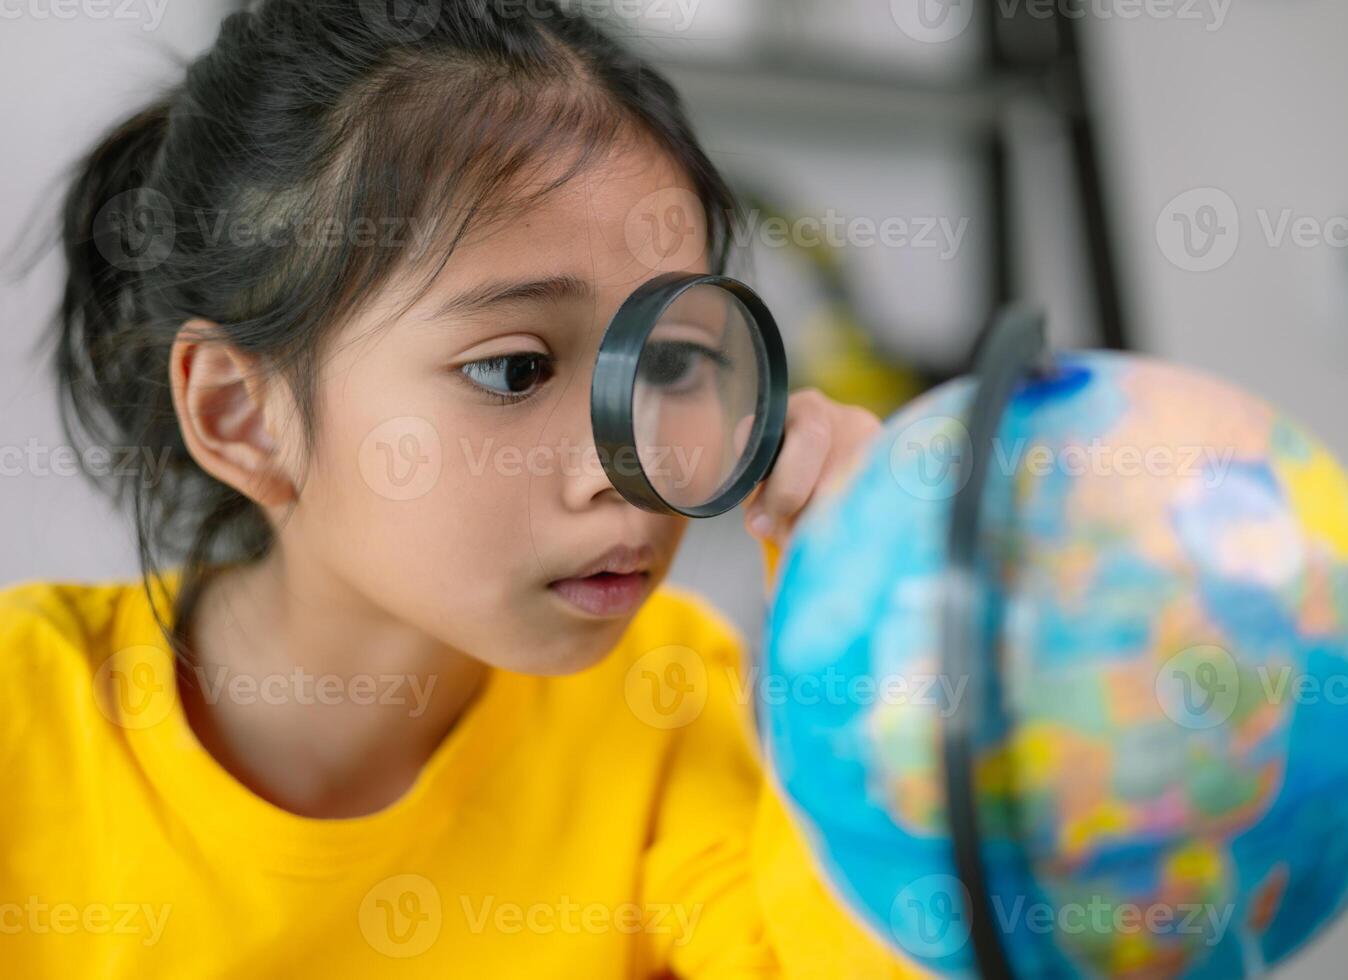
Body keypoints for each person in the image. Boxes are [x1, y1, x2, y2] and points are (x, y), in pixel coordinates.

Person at [0, 2, 929, 975]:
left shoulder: (663, 696)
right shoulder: (30, 721)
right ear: (243, 414)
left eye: (668, 365)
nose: (630, 467)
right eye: (514, 370)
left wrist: (867, 639)